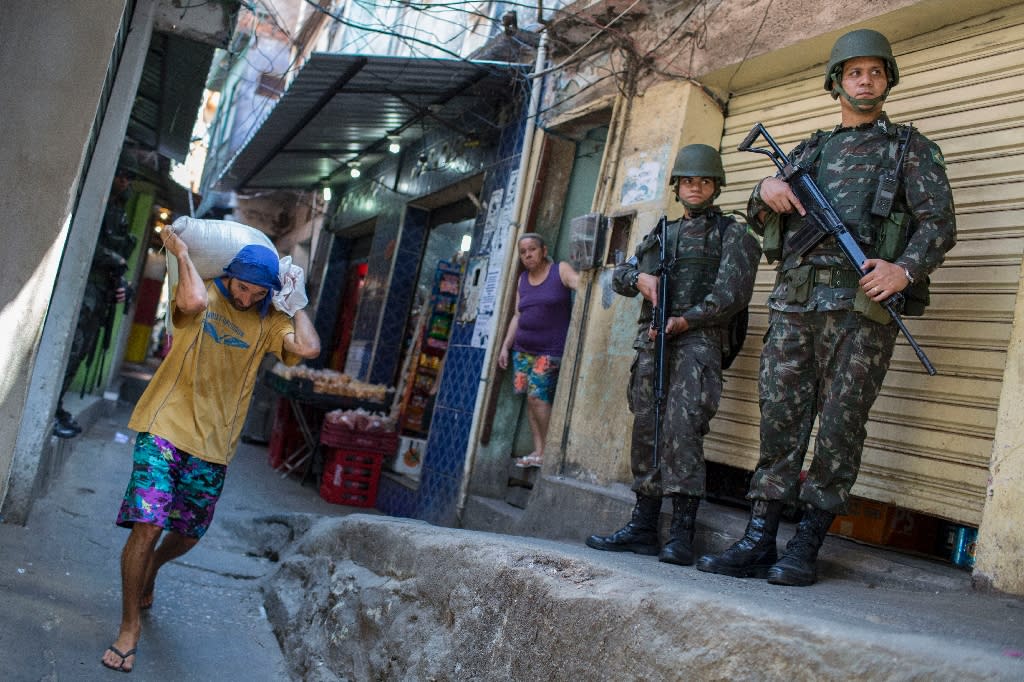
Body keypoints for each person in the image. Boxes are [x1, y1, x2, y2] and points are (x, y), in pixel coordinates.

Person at [697, 29, 956, 586]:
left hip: (862, 311)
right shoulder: (811, 150)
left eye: (876, 72)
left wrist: (904, 269)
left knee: (841, 427)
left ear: (888, 81)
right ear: (836, 82)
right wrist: (765, 187)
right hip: (795, 305)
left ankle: (806, 544)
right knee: (780, 422)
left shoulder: (910, 148)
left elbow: (939, 223)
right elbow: (759, 210)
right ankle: (760, 538)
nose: (866, 80)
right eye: (854, 72)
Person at [100, 229, 321, 673]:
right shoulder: (204, 295)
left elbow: (309, 348)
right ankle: (128, 628)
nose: (246, 298)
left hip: (215, 442)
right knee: (147, 524)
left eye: (258, 292)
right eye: (242, 287)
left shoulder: (269, 319)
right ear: (229, 276)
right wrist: (181, 253)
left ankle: (153, 569)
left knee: (188, 533)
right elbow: (193, 304)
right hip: (165, 426)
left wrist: (296, 304)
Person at [586, 144, 761, 565]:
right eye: (687, 181)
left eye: (703, 181)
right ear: (677, 187)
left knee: (683, 430)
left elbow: (732, 295)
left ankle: (681, 533)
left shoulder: (732, 234)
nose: (694, 188)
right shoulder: (662, 233)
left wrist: (687, 320)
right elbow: (622, 275)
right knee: (647, 427)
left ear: (715, 186)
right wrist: (641, 279)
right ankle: (644, 525)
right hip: (653, 342)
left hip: (697, 343)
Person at [54, 165, 137, 438]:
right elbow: (86, 242)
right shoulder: (98, 203)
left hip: (101, 292)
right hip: (85, 287)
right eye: (123, 175)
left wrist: (122, 280)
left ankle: (56, 406)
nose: (125, 182)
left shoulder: (119, 212)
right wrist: (117, 260)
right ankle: (51, 409)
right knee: (72, 349)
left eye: (129, 178)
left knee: (81, 352)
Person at [497, 233, 580, 468]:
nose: (527, 255)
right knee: (529, 399)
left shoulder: (559, 270)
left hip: (549, 349)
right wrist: (505, 346)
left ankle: (552, 452)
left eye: (532, 249)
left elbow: (580, 284)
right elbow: (517, 315)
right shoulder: (523, 280)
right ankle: (539, 451)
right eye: (523, 252)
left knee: (537, 397)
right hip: (522, 350)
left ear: (543, 250)